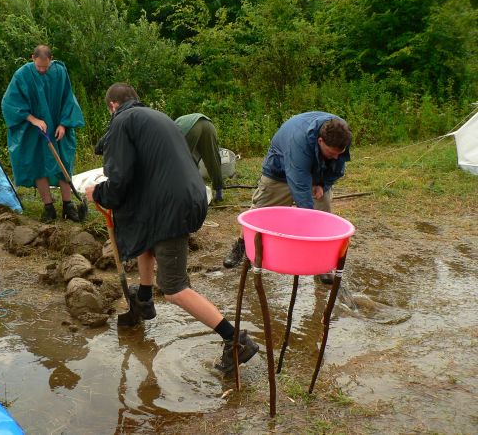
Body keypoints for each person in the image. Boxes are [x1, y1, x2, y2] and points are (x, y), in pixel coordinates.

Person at [85, 83, 259, 373]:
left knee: (174, 288)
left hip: (171, 204)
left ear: (112, 106)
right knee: (146, 237)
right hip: (184, 196)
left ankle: (236, 340)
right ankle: (143, 299)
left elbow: (120, 178)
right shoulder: (156, 117)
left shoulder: (122, 122)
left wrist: (99, 193)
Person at [223, 111, 352, 284]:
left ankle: (321, 263)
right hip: (280, 170)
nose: (336, 156)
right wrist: (307, 223)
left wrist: (323, 184)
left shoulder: (342, 135)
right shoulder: (297, 141)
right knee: (260, 213)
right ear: (320, 141)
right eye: (331, 152)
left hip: (316, 170)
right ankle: (241, 246)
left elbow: (338, 166)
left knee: (324, 207)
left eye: (339, 152)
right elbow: (300, 188)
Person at [1, 44, 86, 223]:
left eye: (45, 67)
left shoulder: (59, 72)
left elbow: (68, 99)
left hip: (57, 127)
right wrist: (34, 120)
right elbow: (10, 103)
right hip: (34, 130)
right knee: (38, 163)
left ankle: (68, 205)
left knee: (63, 161)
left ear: (51, 60)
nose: (41, 70)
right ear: (32, 58)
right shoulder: (22, 75)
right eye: (39, 66)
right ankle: (48, 208)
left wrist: (63, 124)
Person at [174, 113, 224, 202]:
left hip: (191, 129)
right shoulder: (177, 122)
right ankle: (219, 191)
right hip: (208, 124)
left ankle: (193, 193)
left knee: (185, 163)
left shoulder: (173, 131)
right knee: (213, 159)